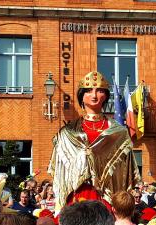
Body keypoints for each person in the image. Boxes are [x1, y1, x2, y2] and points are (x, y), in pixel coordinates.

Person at [48, 71, 141, 211]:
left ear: (105, 95)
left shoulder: (119, 132)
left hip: (107, 197)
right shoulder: (67, 133)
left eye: (99, 90)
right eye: (89, 91)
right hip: (76, 196)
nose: (94, 95)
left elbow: (125, 173)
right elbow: (60, 170)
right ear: (82, 96)